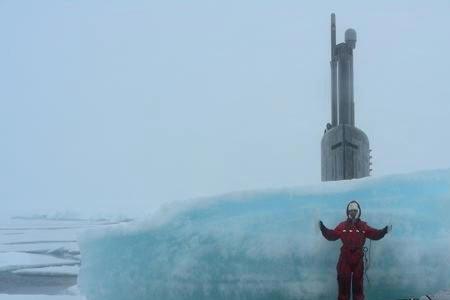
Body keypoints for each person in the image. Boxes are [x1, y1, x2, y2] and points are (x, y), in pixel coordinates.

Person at [319, 200, 391, 300]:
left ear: (358, 212)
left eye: (354, 210)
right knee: (343, 286)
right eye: (351, 210)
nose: (353, 212)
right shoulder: (342, 226)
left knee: (358, 288)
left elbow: (374, 234)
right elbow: (332, 235)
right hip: (345, 259)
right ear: (348, 212)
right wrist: (323, 228)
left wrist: (384, 231)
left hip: (358, 258)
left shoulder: (363, 226)